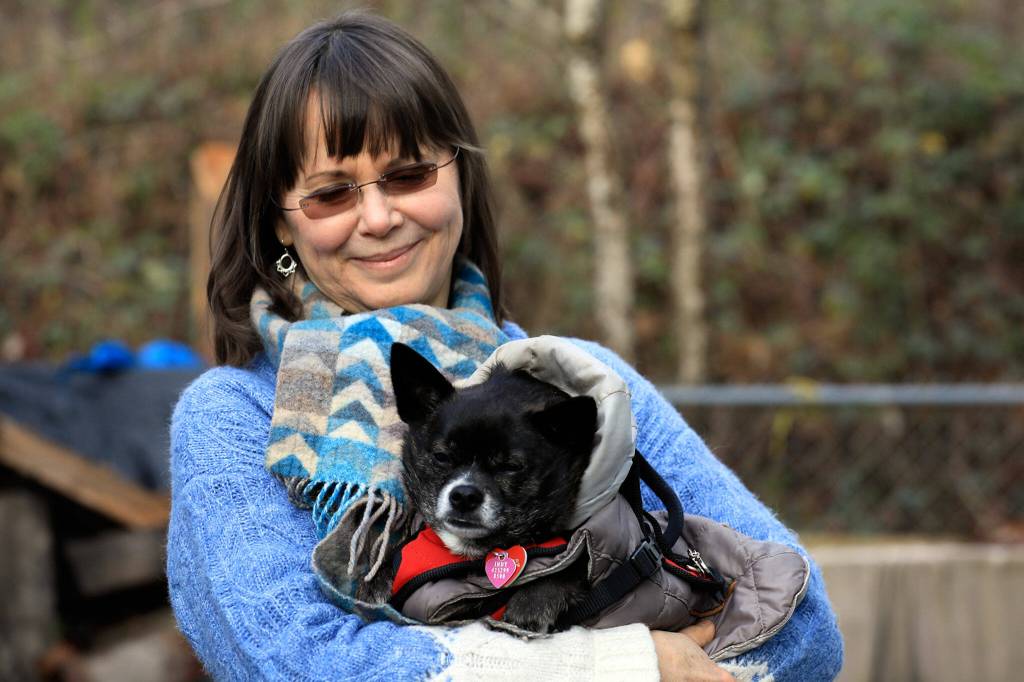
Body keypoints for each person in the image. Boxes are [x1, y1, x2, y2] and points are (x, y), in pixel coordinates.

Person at [167, 11, 843, 681]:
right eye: (331, 194)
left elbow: (805, 631)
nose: (377, 218)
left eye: (408, 175)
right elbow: (297, 664)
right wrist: (625, 665)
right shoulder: (234, 419)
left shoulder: (582, 384)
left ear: (459, 176)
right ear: (280, 225)